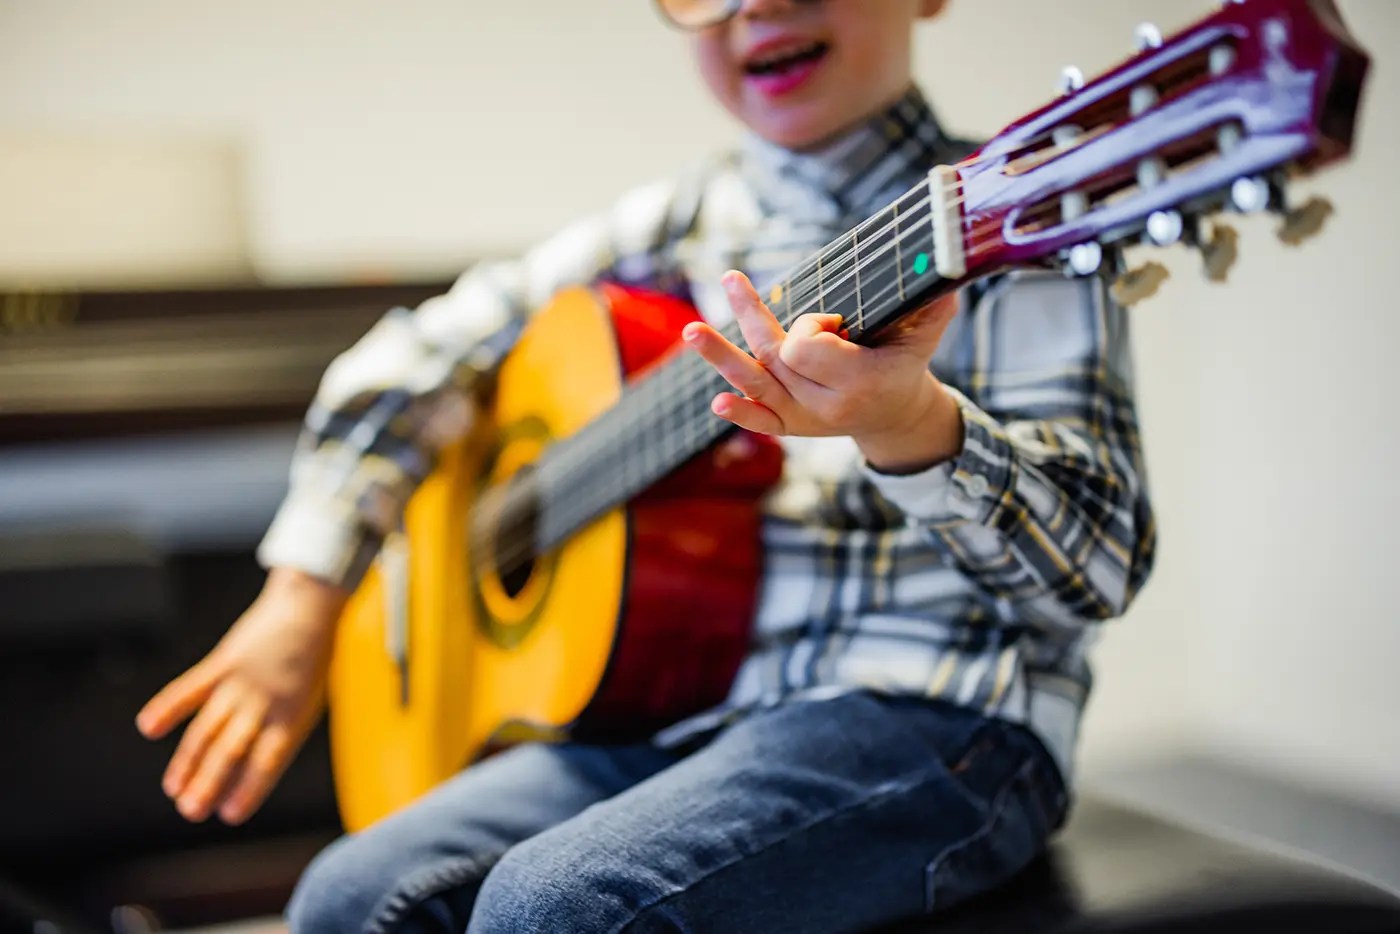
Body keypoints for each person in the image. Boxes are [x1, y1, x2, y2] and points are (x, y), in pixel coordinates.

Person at [137, 0, 1156, 930]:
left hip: (937, 716)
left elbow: (1099, 568)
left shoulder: (1016, 208)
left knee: (554, 910)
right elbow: (401, 362)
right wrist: (305, 593)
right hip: (686, 715)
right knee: (346, 895)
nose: (754, 5)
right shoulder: (665, 229)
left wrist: (911, 423)